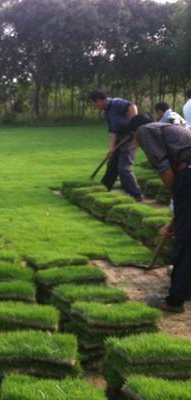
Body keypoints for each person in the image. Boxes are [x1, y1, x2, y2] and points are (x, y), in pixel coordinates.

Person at [129, 114, 191, 313]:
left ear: (134, 133)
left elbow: (165, 170)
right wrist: (175, 221)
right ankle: (186, 289)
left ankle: (174, 301)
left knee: (185, 243)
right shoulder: (169, 130)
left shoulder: (145, 131)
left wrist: (179, 204)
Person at [89, 90, 142, 201]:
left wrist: (134, 124)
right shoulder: (107, 112)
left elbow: (132, 106)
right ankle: (104, 188)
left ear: (99, 100)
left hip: (130, 137)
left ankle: (135, 194)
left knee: (123, 167)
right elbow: (113, 132)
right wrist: (111, 149)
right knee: (112, 164)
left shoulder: (116, 103)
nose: (94, 106)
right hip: (119, 138)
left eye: (94, 103)